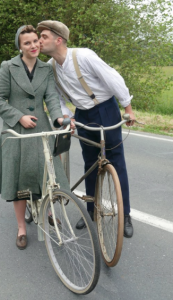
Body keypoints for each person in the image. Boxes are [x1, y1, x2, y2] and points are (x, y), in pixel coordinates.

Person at [37, 20, 135, 238]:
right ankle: (92, 212)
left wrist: (127, 107)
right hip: (82, 114)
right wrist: (67, 117)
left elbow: (113, 78)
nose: (39, 41)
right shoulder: (51, 67)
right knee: (91, 164)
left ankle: (125, 214)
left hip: (105, 109)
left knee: (116, 161)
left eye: (44, 36)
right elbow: (56, 98)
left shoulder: (84, 56)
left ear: (58, 39)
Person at [0, 25, 70, 250]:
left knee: (45, 176)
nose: (33, 45)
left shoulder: (46, 69)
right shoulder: (8, 67)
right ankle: (22, 228)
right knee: (19, 182)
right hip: (16, 131)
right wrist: (19, 117)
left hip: (40, 129)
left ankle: (47, 212)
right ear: (20, 46)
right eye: (27, 43)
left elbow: (52, 99)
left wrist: (58, 119)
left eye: (35, 41)